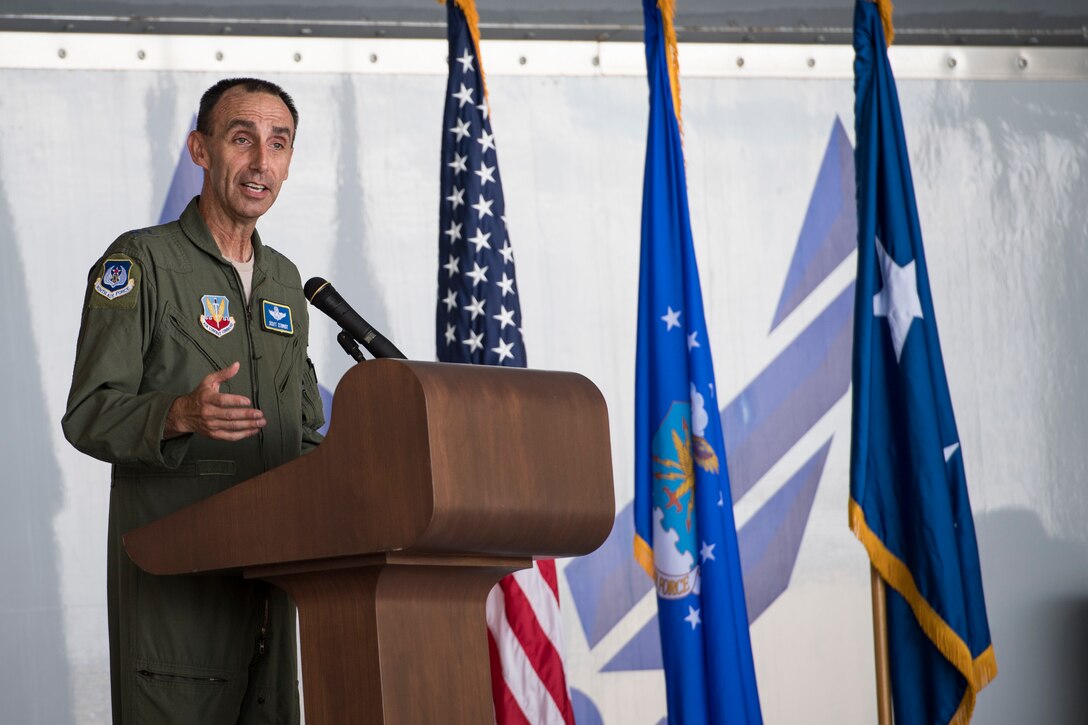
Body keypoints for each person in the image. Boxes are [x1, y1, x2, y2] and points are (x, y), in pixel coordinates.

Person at [62, 78, 324, 724]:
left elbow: (306, 425)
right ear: (201, 150)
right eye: (243, 139)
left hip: (270, 591)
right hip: (178, 600)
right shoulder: (140, 263)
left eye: (279, 143)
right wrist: (178, 413)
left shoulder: (286, 282)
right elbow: (89, 411)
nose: (262, 161)